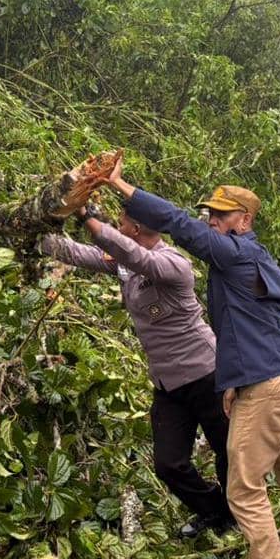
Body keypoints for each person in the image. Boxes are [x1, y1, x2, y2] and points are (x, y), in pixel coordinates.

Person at [102, 164, 280, 559]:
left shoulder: (234, 252)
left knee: (243, 491)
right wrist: (231, 381)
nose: (211, 221)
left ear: (244, 220)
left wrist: (121, 187)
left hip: (267, 386)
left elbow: (176, 224)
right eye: (211, 213)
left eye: (221, 215)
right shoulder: (255, 256)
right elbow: (242, 327)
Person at [40, 208, 233, 537]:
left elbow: (138, 258)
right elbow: (83, 254)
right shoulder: (125, 263)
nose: (117, 226)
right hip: (168, 382)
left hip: (206, 374)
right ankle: (215, 510)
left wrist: (89, 218)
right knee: (169, 463)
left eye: (121, 223)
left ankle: (238, 512)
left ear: (137, 228)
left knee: (228, 452)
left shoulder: (173, 263)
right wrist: (34, 235)